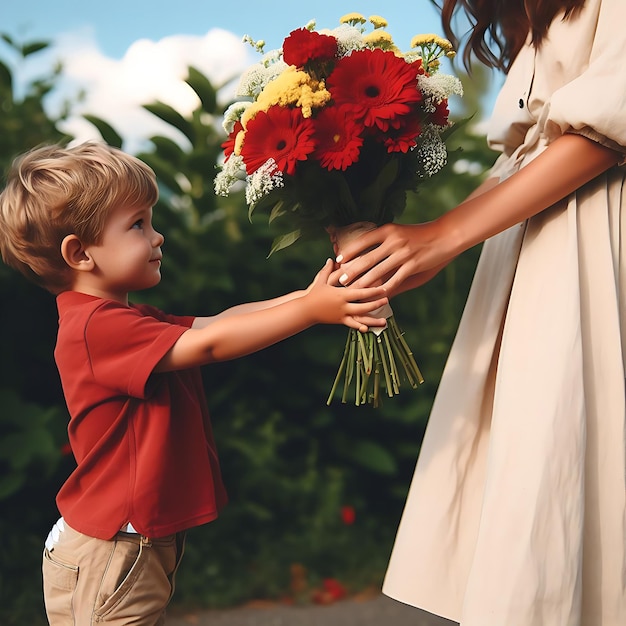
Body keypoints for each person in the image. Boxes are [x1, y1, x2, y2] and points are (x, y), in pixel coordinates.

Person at [0, 141, 388, 625]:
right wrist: (310, 312)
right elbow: (211, 346)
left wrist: (308, 298)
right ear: (80, 253)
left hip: (126, 543)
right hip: (113, 549)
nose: (157, 236)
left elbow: (215, 323)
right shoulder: (96, 328)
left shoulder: (123, 319)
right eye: (137, 224)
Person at [334, 1, 626, 624]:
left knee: (570, 452)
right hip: (532, 248)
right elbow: (524, 154)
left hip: (600, 232)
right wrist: (422, 244)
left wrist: (443, 237)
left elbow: (604, 132)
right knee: (539, 473)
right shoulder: (534, 19)